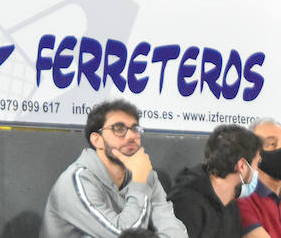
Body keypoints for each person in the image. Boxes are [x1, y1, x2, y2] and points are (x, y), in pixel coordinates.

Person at [40, 99, 187, 238]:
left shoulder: (144, 174)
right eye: (119, 128)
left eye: (134, 128)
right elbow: (123, 235)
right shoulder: (75, 181)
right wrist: (139, 184)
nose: (131, 136)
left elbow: (174, 230)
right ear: (97, 140)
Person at [168, 124, 262, 238]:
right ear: (242, 166)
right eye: (257, 164)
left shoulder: (231, 206)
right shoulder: (186, 205)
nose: (257, 171)